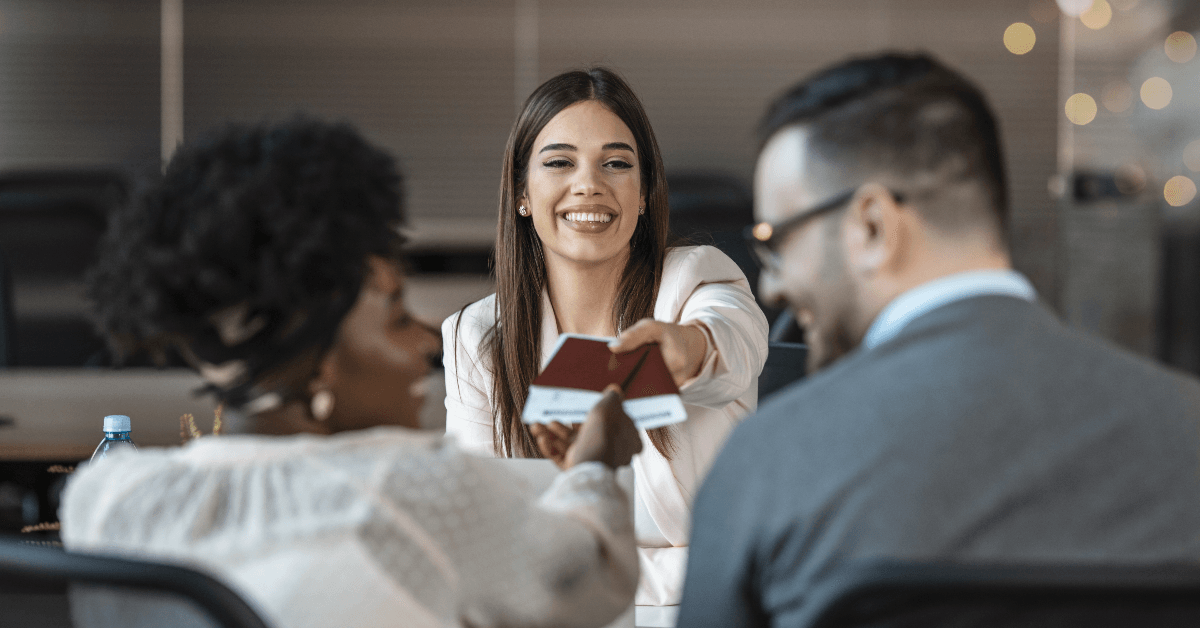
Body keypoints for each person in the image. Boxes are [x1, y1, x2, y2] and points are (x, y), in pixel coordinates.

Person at [677, 52, 1200, 627]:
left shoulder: (772, 461)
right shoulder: (1187, 426)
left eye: (775, 242)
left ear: (872, 226)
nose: (771, 286)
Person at [61, 118, 644, 628]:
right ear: (318, 368)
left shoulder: (104, 498)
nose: (425, 342)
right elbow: (588, 582)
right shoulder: (421, 494)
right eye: (396, 318)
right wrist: (595, 464)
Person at [442, 67, 769, 615]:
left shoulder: (698, 281)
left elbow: (732, 345)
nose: (589, 183)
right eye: (559, 162)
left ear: (644, 194)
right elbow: (483, 539)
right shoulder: (476, 336)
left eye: (616, 163)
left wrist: (687, 350)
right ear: (522, 194)